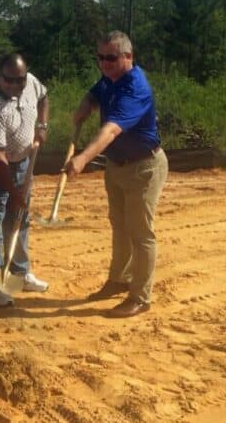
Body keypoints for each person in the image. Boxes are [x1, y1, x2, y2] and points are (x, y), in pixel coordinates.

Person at [66, 31, 168, 318]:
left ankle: (140, 297)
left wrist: (83, 158)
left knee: (141, 233)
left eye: (111, 57)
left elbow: (110, 129)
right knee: (119, 226)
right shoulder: (110, 79)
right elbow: (95, 92)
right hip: (117, 166)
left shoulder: (135, 88)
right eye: (100, 57)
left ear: (128, 57)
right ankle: (118, 280)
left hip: (144, 167)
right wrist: (84, 106)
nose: (105, 63)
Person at [0, 53, 49, 308]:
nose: (15, 85)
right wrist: (15, 193)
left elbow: (44, 97)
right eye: (8, 80)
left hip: (23, 160)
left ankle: (20, 273)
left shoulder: (30, 82)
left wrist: (42, 126)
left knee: (20, 218)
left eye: (19, 80)